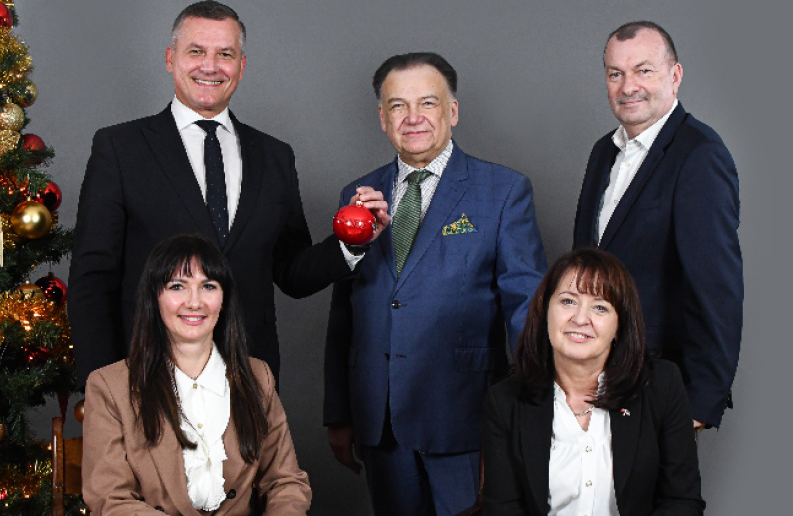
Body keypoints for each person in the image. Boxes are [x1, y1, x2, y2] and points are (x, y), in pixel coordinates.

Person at [68, 0, 388, 388]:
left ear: (241, 65)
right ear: (170, 58)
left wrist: (350, 244)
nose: (210, 66)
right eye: (196, 51)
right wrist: (102, 387)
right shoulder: (120, 148)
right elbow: (92, 279)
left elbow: (291, 272)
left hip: (248, 379)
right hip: (149, 380)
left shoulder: (274, 156)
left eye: (225, 54)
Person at [323, 52, 547, 515]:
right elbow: (345, 313)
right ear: (382, 118)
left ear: (453, 111)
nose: (413, 117)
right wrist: (339, 413)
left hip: (466, 420)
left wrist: (531, 409)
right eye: (398, 106)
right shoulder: (358, 195)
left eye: (427, 102)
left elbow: (527, 309)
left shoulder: (503, 191)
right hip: (380, 422)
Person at [573, 21, 743, 430]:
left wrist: (700, 405)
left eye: (644, 71)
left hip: (661, 386)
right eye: (616, 74)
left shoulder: (699, 155)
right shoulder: (603, 152)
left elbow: (716, 288)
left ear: (675, 75)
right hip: (596, 379)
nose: (628, 86)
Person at [83, 234, 310, 515]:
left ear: (223, 299)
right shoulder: (109, 386)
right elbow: (110, 499)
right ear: (155, 297)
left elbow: (284, 483)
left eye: (208, 286)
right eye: (177, 286)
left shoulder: (257, 376)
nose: (194, 302)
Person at [484, 249, 705, 516]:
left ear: (620, 325)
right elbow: (503, 509)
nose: (580, 319)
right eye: (568, 301)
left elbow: (682, 501)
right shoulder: (506, 400)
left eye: (600, 307)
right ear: (545, 311)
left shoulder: (661, 385)